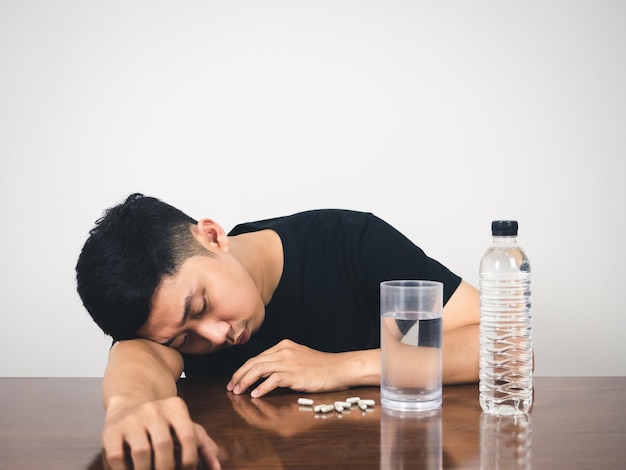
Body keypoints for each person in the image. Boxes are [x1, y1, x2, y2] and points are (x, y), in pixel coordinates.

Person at [76, 193, 479, 470]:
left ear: (212, 237)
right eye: (183, 339)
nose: (215, 337)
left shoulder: (352, 243)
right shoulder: (163, 320)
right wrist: (127, 405)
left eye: (200, 306)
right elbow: (138, 357)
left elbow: (500, 344)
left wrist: (340, 368)